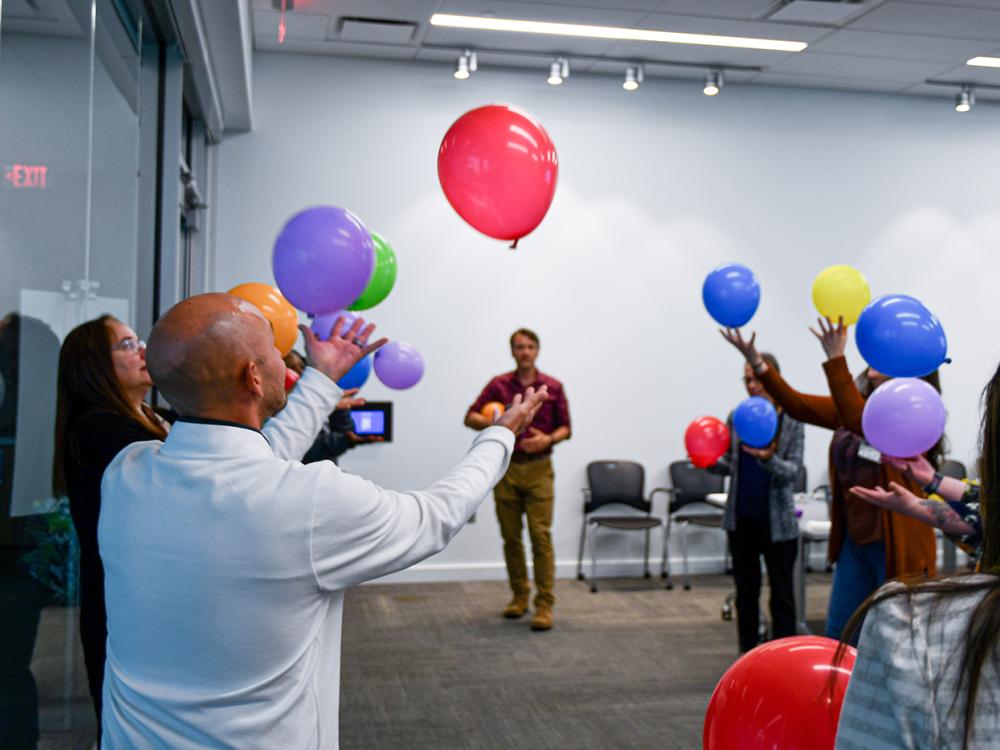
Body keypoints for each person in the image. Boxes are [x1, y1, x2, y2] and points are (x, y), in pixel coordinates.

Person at [98, 293, 547, 749]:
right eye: (273, 350)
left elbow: (249, 458)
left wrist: (322, 379)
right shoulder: (309, 500)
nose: (282, 358)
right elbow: (435, 517)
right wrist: (499, 437)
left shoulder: (124, 474)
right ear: (253, 376)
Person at [722, 317, 940, 641]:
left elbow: (861, 420)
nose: (872, 359)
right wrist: (757, 362)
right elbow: (797, 405)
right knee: (839, 635)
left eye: (883, 354)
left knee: (894, 638)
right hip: (856, 538)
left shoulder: (909, 412)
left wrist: (836, 358)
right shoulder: (854, 406)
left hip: (896, 541)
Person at [834, 360, 1000, 750]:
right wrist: (928, 488)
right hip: (861, 536)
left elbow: (984, 509)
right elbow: (985, 508)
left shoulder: (911, 629)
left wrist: (834, 356)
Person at [53, 315, 170, 737]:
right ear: (94, 366)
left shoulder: (155, 417)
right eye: (125, 344)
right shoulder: (99, 429)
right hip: (122, 607)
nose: (142, 350)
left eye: (138, 340)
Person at [465, 328, 571, 631]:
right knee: (511, 537)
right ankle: (519, 597)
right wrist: (498, 425)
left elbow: (566, 428)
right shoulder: (498, 385)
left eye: (529, 346)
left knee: (541, 536)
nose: (524, 352)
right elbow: (469, 417)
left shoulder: (553, 386)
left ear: (537, 350)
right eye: (519, 347)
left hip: (540, 469)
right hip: (507, 468)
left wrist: (547, 439)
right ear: (512, 351)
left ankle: (545, 605)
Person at [711, 352, 804, 653]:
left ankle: (784, 659)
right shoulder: (737, 417)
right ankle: (747, 657)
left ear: (773, 378)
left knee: (782, 597)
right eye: (747, 380)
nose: (752, 386)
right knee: (746, 595)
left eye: (757, 379)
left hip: (778, 524)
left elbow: (792, 471)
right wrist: (708, 461)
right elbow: (730, 463)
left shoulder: (791, 420)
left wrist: (768, 460)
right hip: (741, 520)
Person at [283, 350, 379, 465]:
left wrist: (337, 407)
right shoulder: (275, 414)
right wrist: (345, 440)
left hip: (324, 477)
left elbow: (345, 430)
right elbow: (303, 449)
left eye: (301, 370)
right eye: (292, 373)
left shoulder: (316, 398)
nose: (298, 378)